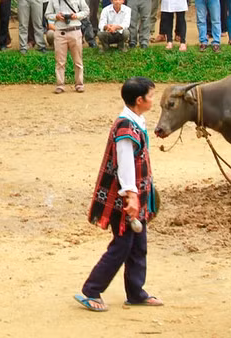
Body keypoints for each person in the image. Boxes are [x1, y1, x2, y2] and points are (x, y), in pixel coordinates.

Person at [75, 77, 161, 312]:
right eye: (151, 96)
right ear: (139, 100)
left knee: (138, 245)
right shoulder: (126, 128)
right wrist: (131, 196)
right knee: (121, 247)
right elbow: (125, 165)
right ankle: (91, 290)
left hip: (134, 195)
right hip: (122, 198)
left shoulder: (136, 121)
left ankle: (135, 292)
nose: (154, 100)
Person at [46, 0, 89, 94]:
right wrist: (56, 16)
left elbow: (86, 11)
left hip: (75, 30)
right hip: (60, 32)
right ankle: (60, 85)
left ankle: (79, 84)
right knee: (60, 61)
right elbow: (47, 14)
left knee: (78, 60)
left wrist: (76, 16)